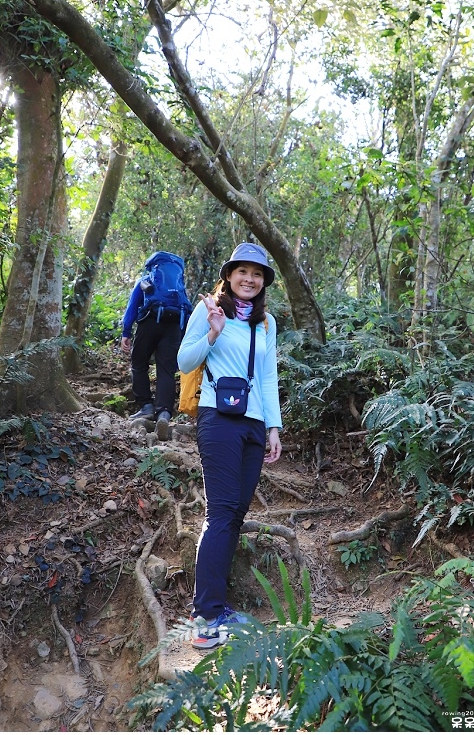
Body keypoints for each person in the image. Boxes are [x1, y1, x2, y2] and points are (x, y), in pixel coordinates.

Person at [177, 242, 282, 649]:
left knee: (235, 514)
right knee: (220, 513)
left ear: (263, 282)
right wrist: (213, 332)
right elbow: (185, 362)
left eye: (257, 274)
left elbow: (269, 377)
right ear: (230, 275)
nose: (249, 279)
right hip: (218, 419)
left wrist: (274, 427)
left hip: (255, 424)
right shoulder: (209, 311)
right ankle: (205, 618)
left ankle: (216, 609)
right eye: (243, 272)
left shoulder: (267, 323)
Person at [121, 251, 191, 441]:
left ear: (152, 266)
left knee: (139, 364)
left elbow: (132, 307)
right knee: (166, 371)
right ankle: (164, 413)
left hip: (149, 322)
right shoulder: (178, 289)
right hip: (175, 325)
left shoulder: (146, 281)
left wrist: (126, 332)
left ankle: (146, 407)